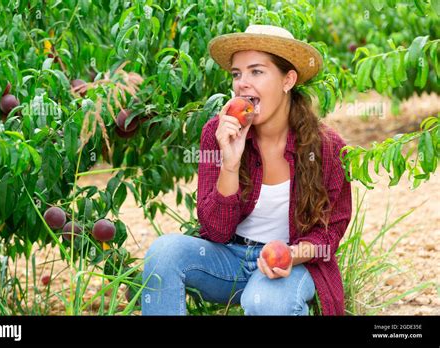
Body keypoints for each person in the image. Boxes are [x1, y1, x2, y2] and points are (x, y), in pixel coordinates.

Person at [141, 25, 352, 316]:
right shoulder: (218, 132)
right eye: (237, 74)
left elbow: (330, 233)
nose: (242, 83)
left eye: (256, 72)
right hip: (230, 259)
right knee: (163, 253)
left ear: (287, 80)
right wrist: (230, 162)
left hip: (292, 265)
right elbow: (215, 230)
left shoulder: (326, 146)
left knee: (265, 301)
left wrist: (290, 255)